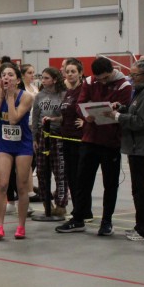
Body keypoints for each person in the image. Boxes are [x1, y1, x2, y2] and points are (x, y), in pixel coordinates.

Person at [55, 57, 132, 237]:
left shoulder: (124, 86)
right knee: (82, 181)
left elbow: (123, 110)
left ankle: (107, 222)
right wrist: (85, 115)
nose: (102, 82)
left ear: (112, 71)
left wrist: (115, 110)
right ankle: (78, 218)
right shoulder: (90, 82)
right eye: (99, 79)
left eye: (106, 78)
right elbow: (80, 104)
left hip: (111, 142)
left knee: (110, 183)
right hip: (89, 139)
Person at [113, 59, 144, 241]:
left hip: (141, 147)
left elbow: (142, 121)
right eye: (130, 75)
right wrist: (123, 109)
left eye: (134, 75)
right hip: (136, 147)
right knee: (138, 190)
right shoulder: (141, 92)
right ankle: (140, 226)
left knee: (142, 190)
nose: (131, 78)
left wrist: (119, 117)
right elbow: (135, 112)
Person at [0, 63, 34, 241]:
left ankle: (21, 226)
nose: (6, 77)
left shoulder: (27, 97)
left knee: (22, 186)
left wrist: (9, 97)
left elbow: (14, 119)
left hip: (23, 145)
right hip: (5, 145)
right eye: (3, 75)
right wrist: (0, 97)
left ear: (18, 79)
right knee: (2, 184)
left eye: (10, 75)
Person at [31, 67, 68, 217]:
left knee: (60, 171)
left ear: (55, 79)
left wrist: (55, 119)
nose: (43, 81)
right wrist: (34, 138)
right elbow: (35, 118)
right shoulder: (39, 96)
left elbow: (67, 117)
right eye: (42, 78)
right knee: (41, 171)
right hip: (42, 136)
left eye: (46, 78)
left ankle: (61, 204)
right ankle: (46, 203)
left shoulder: (64, 95)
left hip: (58, 135)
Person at [58, 59, 88, 222]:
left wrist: (86, 121)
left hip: (79, 139)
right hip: (66, 137)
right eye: (67, 72)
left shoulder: (84, 90)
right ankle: (78, 209)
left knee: (80, 177)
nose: (69, 74)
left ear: (80, 73)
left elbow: (92, 108)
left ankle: (84, 211)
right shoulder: (68, 92)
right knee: (71, 176)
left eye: (73, 72)